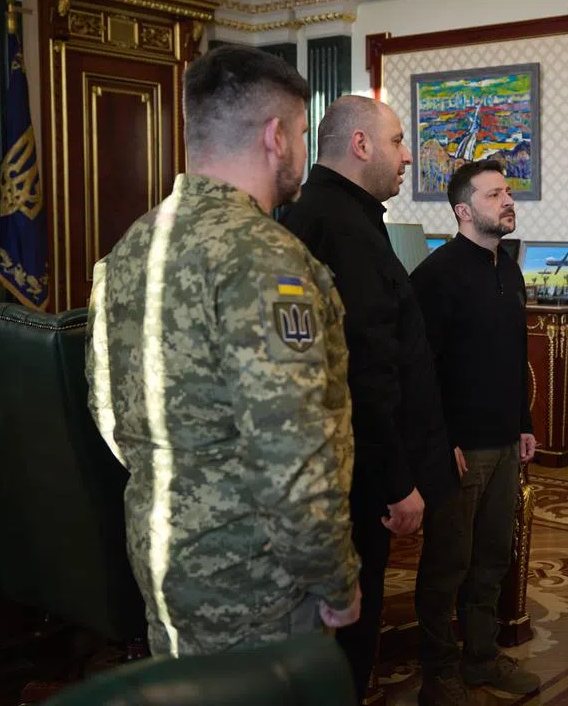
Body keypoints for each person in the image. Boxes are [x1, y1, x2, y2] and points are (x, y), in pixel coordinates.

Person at [84, 43, 361, 657]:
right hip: (257, 579)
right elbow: (292, 452)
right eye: (300, 132)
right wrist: (334, 576)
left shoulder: (129, 247)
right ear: (277, 137)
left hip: (159, 559)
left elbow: (109, 413)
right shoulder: (265, 256)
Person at [279, 95, 458, 700]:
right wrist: (396, 482)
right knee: (350, 614)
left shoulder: (327, 213)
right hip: (356, 475)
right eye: (399, 142)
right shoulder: (343, 227)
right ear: (361, 145)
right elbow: (366, 371)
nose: (408, 157)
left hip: (333, 464)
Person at [410, 159, 540, 705]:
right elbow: (421, 372)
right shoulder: (434, 277)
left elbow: (513, 356)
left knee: (491, 559)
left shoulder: (508, 266)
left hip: (505, 442)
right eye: (494, 195)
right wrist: (442, 445)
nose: (507, 201)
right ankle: (439, 671)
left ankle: (482, 658)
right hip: (458, 450)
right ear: (464, 210)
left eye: (507, 192)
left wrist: (524, 425)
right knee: (448, 564)